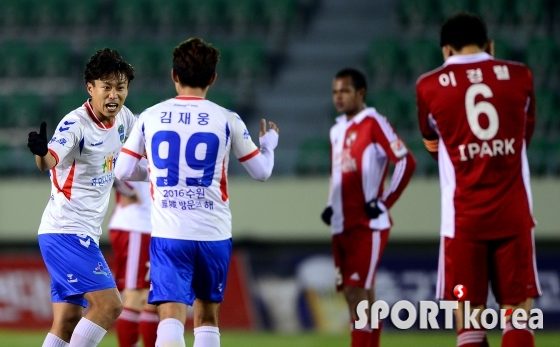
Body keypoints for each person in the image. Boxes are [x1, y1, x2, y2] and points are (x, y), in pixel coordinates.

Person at [114, 37, 279, 347]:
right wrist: (268, 144)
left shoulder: (150, 116)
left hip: (169, 233)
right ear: (213, 79)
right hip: (213, 233)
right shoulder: (228, 119)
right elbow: (262, 172)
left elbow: (122, 171)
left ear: (174, 76)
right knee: (206, 317)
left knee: (170, 315)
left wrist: (154, 172)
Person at [416, 12, 540, 347]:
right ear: (490, 45)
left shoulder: (428, 86)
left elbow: (432, 142)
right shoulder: (520, 75)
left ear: (446, 50)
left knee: (469, 324)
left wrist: (466, 156)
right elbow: (524, 135)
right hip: (513, 213)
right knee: (517, 318)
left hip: (463, 220)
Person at [27, 48, 136, 347]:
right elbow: (49, 160)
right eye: (107, 87)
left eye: (121, 87)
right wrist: (40, 153)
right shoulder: (76, 124)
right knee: (109, 305)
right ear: (91, 88)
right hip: (66, 232)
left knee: (66, 322)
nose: (114, 95)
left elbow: (145, 148)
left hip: (79, 232)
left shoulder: (125, 119)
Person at [321, 68, 417, 347]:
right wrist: (330, 204)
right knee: (361, 293)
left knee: (356, 293)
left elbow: (405, 161)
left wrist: (384, 202)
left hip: (367, 223)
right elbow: (336, 172)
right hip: (341, 223)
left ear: (360, 93)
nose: (338, 97)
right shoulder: (336, 129)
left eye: (345, 91)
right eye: (335, 92)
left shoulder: (373, 121)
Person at [109, 172, 158, 347]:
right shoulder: (135, 145)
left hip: (148, 227)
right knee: (136, 295)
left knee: (151, 299)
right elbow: (113, 169)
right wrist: (128, 191)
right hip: (136, 227)